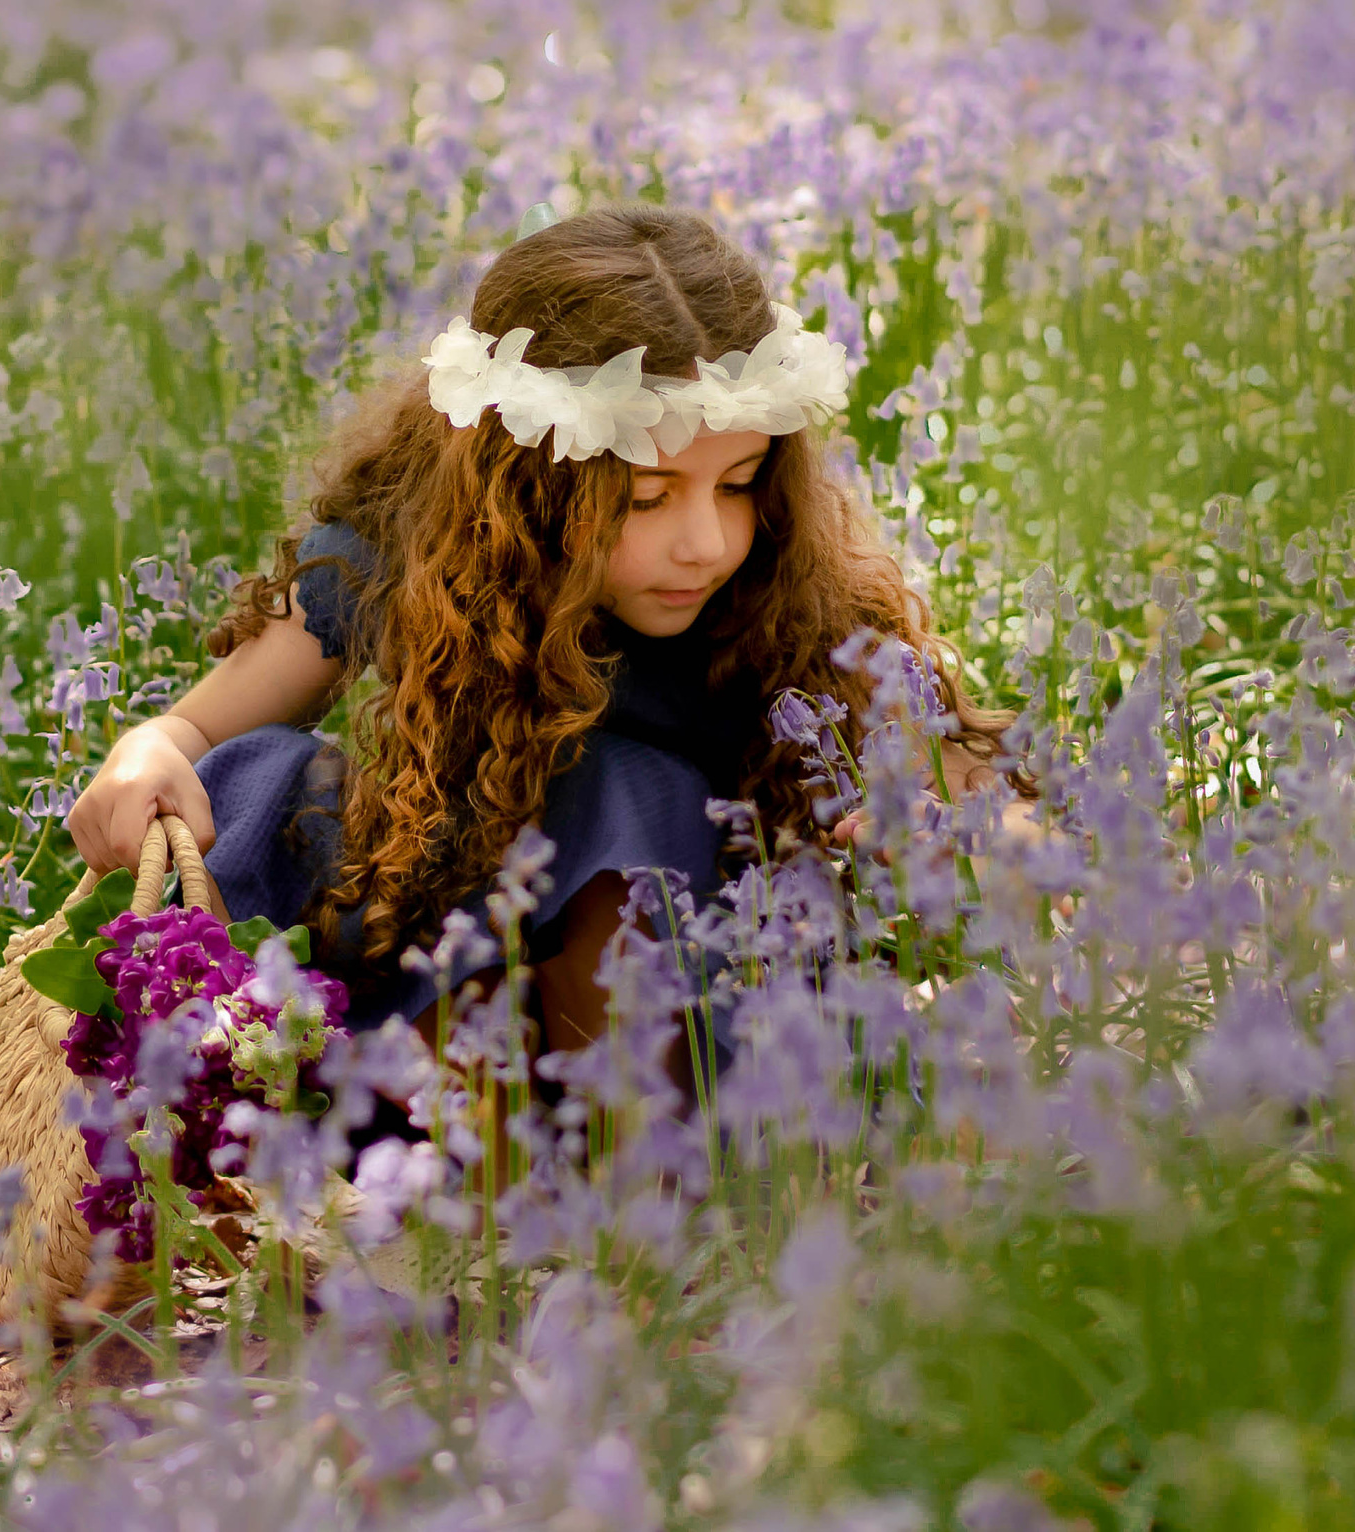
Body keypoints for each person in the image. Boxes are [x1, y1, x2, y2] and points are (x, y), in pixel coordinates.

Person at [67, 202, 1026, 1067]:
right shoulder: (399, 551)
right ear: (524, 484)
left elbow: (976, 798)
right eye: (646, 497)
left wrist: (970, 836)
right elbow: (197, 733)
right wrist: (144, 753)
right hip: (429, 964)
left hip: (675, 1005)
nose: (705, 543)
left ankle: (646, 1175)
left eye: (739, 485)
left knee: (633, 790)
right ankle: (262, 1084)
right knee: (268, 771)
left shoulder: (789, 604)